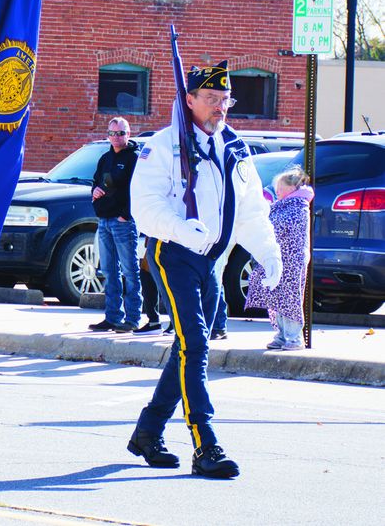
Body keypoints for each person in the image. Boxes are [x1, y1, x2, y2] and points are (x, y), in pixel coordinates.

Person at [126, 60, 282, 479]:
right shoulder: (162, 146)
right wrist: (181, 229)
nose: (219, 108)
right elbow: (144, 207)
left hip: (212, 258)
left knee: (187, 346)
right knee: (195, 344)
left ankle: (147, 432)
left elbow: (250, 210)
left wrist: (268, 252)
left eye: (224, 100)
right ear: (189, 99)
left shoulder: (234, 147)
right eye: (211, 99)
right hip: (173, 252)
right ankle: (206, 444)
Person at [245, 166, 313, 351]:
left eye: (281, 187)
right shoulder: (284, 205)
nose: (277, 191)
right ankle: (282, 335)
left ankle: (295, 337)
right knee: (277, 297)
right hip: (280, 258)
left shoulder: (299, 205)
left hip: (293, 260)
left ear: (292, 189)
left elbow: (281, 225)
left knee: (290, 297)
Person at [89, 117, 144, 333]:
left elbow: (138, 190)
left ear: (128, 134)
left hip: (123, 223)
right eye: (112, 133)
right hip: (104, 221)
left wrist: (126, 215)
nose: (116, 137)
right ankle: (112, 317)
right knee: (109, 271)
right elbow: (95, 182)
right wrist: (94, 191)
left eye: (120, 133)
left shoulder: (135, 159)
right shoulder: (105, 158)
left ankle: (132, 318)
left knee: (130, 271)